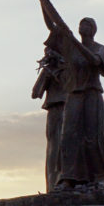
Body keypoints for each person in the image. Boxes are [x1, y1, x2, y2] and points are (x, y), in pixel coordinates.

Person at [33, 0, 104, 187]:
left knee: (92, 135)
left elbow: (97, 62)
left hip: (92, 94)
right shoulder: (70, 47)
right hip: (74, 95)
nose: (82, 26)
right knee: (69, 136)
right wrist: (41, 0)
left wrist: (77, 45)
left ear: (93, 29)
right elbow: (53, 26)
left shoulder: (100, 48)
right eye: (80, 24)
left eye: (86, 24)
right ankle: (69, 177)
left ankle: (97, 178)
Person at [31, 44, 67, 192]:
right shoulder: (47, 71)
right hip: (53, 110)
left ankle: (65, 181)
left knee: (66, 145)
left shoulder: (68, 69)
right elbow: (35, 93)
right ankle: (53, 184)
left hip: (68, 109)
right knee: (54, 147)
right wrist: (47, 75)